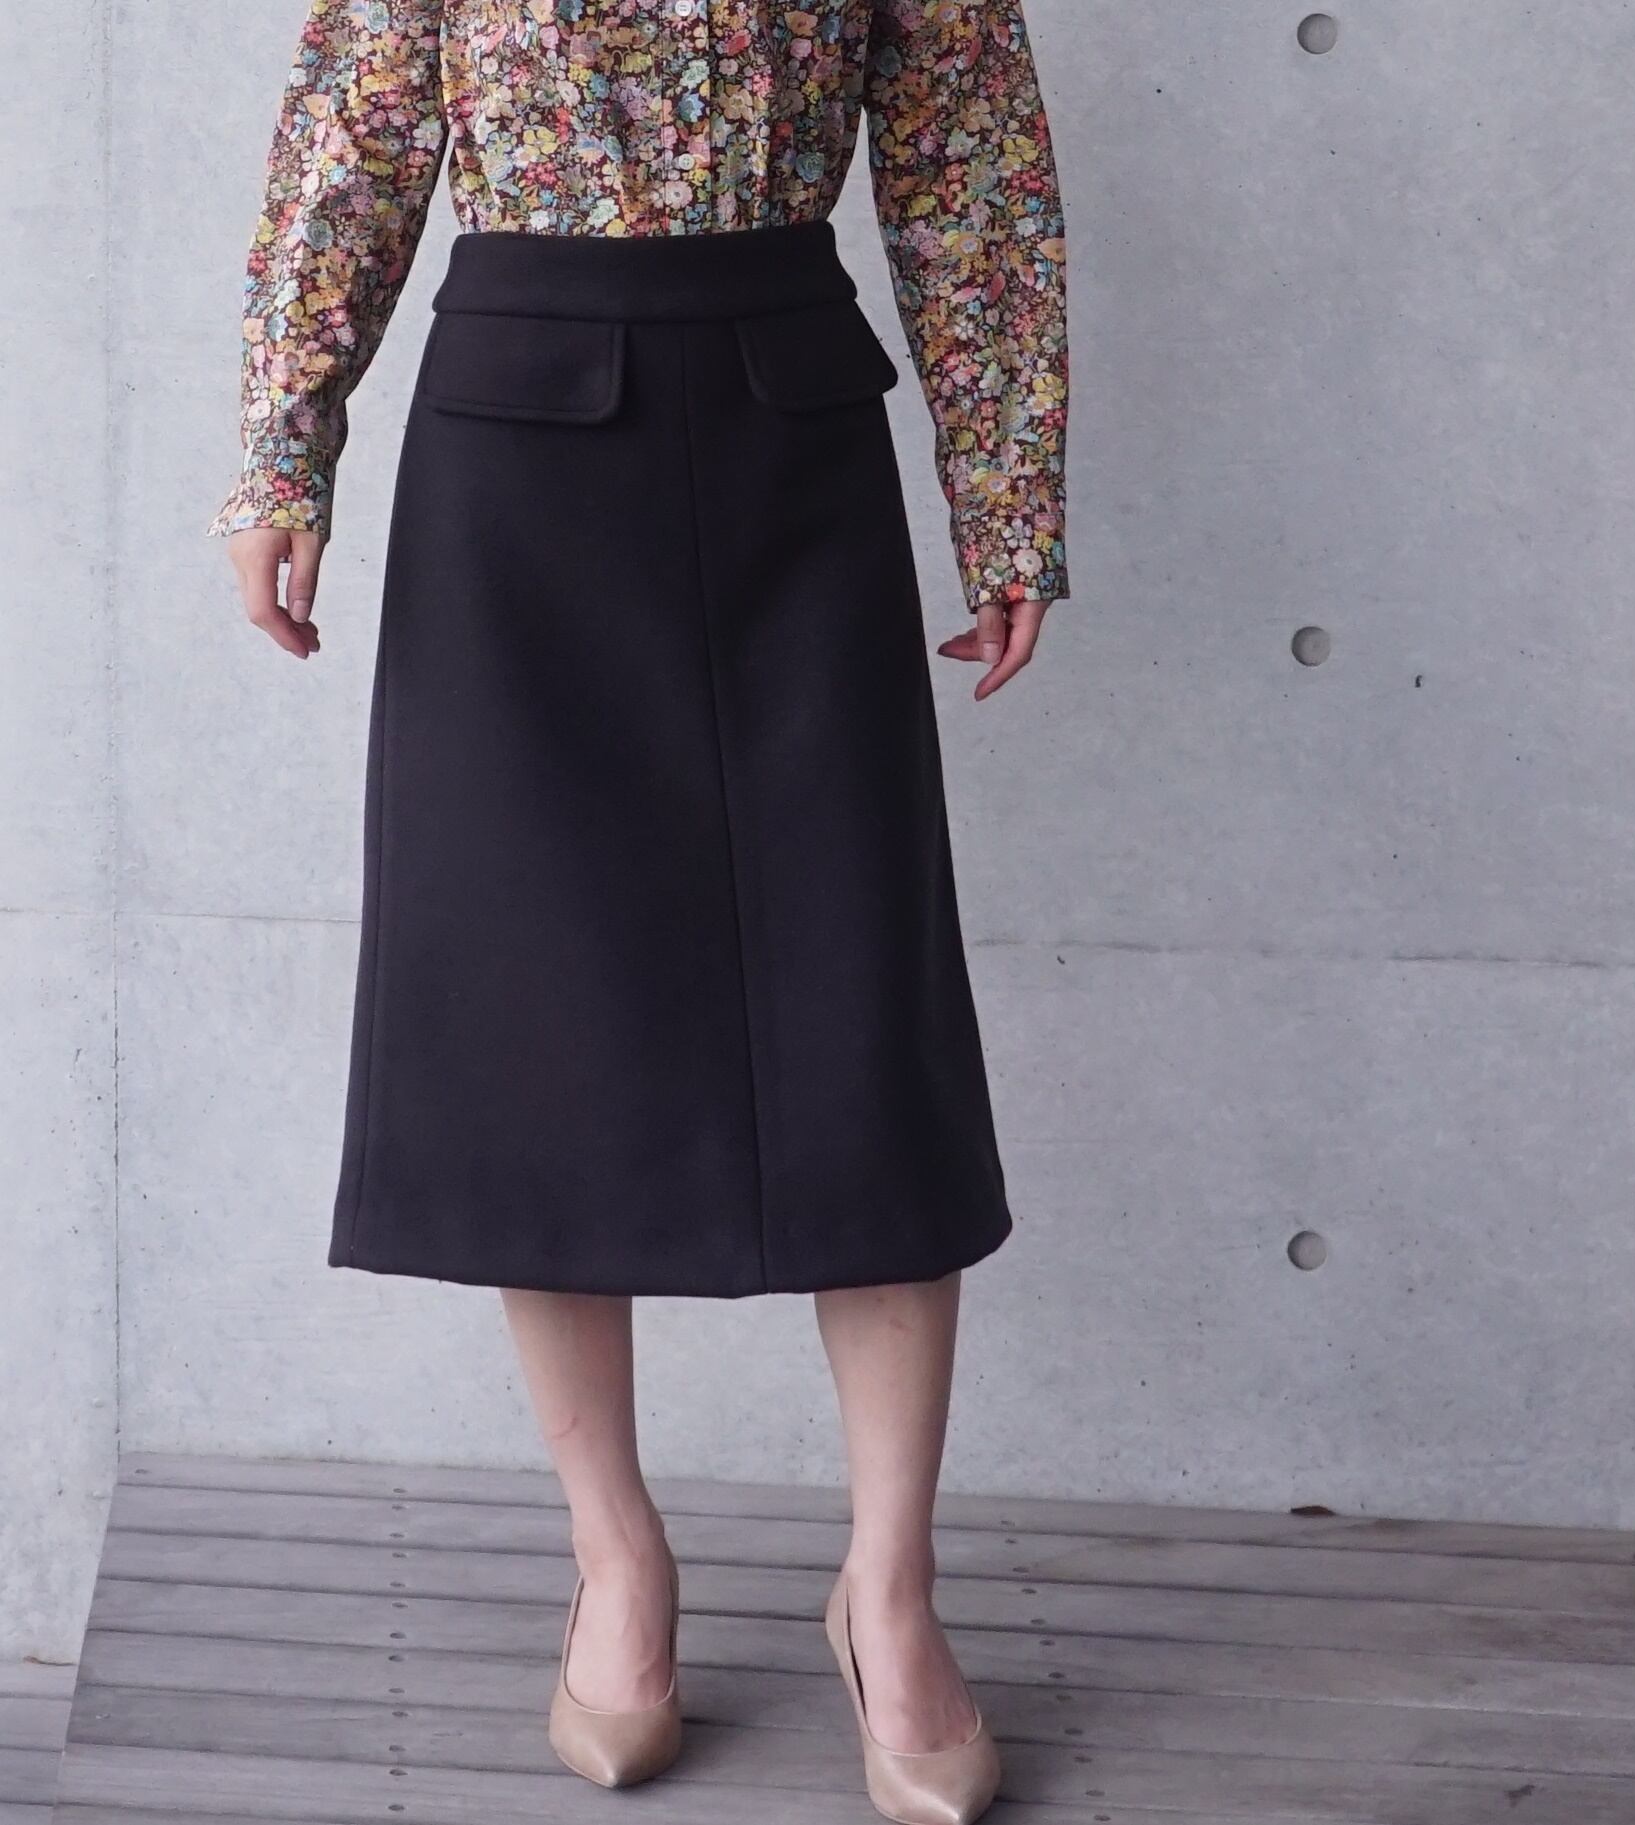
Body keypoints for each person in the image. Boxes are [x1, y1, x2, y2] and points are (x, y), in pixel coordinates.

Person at [211, 5, 1067, 1820]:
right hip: (518, 463)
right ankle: (615, 1558)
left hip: (791, 439)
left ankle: (889, 1590)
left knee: (859, 1016)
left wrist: (1006, 500)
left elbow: (970, 168)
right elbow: (352, 139)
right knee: (546, 1023)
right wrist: (284, 450)